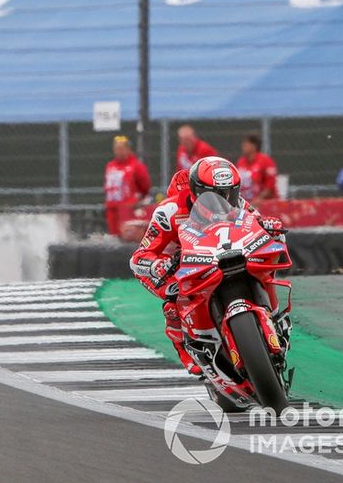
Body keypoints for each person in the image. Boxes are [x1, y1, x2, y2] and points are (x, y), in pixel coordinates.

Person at [128, 157, 285, 375]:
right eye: (214, 194)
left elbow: (258, 225)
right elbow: (138, 257)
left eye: (229, 192)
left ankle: (275, 315)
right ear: (196, 191)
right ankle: (185, 348)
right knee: (173, 298)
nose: (223, 200)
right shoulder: (169, 212)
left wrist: (269, 226)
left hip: (217, 253)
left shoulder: (238, 203)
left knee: (260, 262)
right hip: (174, 263)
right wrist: (157, 265)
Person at [103, 136, 152, 237]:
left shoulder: (136, 166)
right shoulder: (110, 166)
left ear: (128, 149)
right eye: (116, 149)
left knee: (128, 235)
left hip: (128, 209)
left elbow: (145, 185)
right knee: (114, 235)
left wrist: (137, 200)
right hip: (112, 208)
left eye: (122, 149)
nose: (119, 152)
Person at [237, 132, 277, 201]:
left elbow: (270, 186)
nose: (242, 146)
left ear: (254, 146)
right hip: (246, 201)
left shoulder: (266, 161)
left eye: (245, 145)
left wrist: (259, 199)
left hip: (264, 202)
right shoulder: (241, 162)